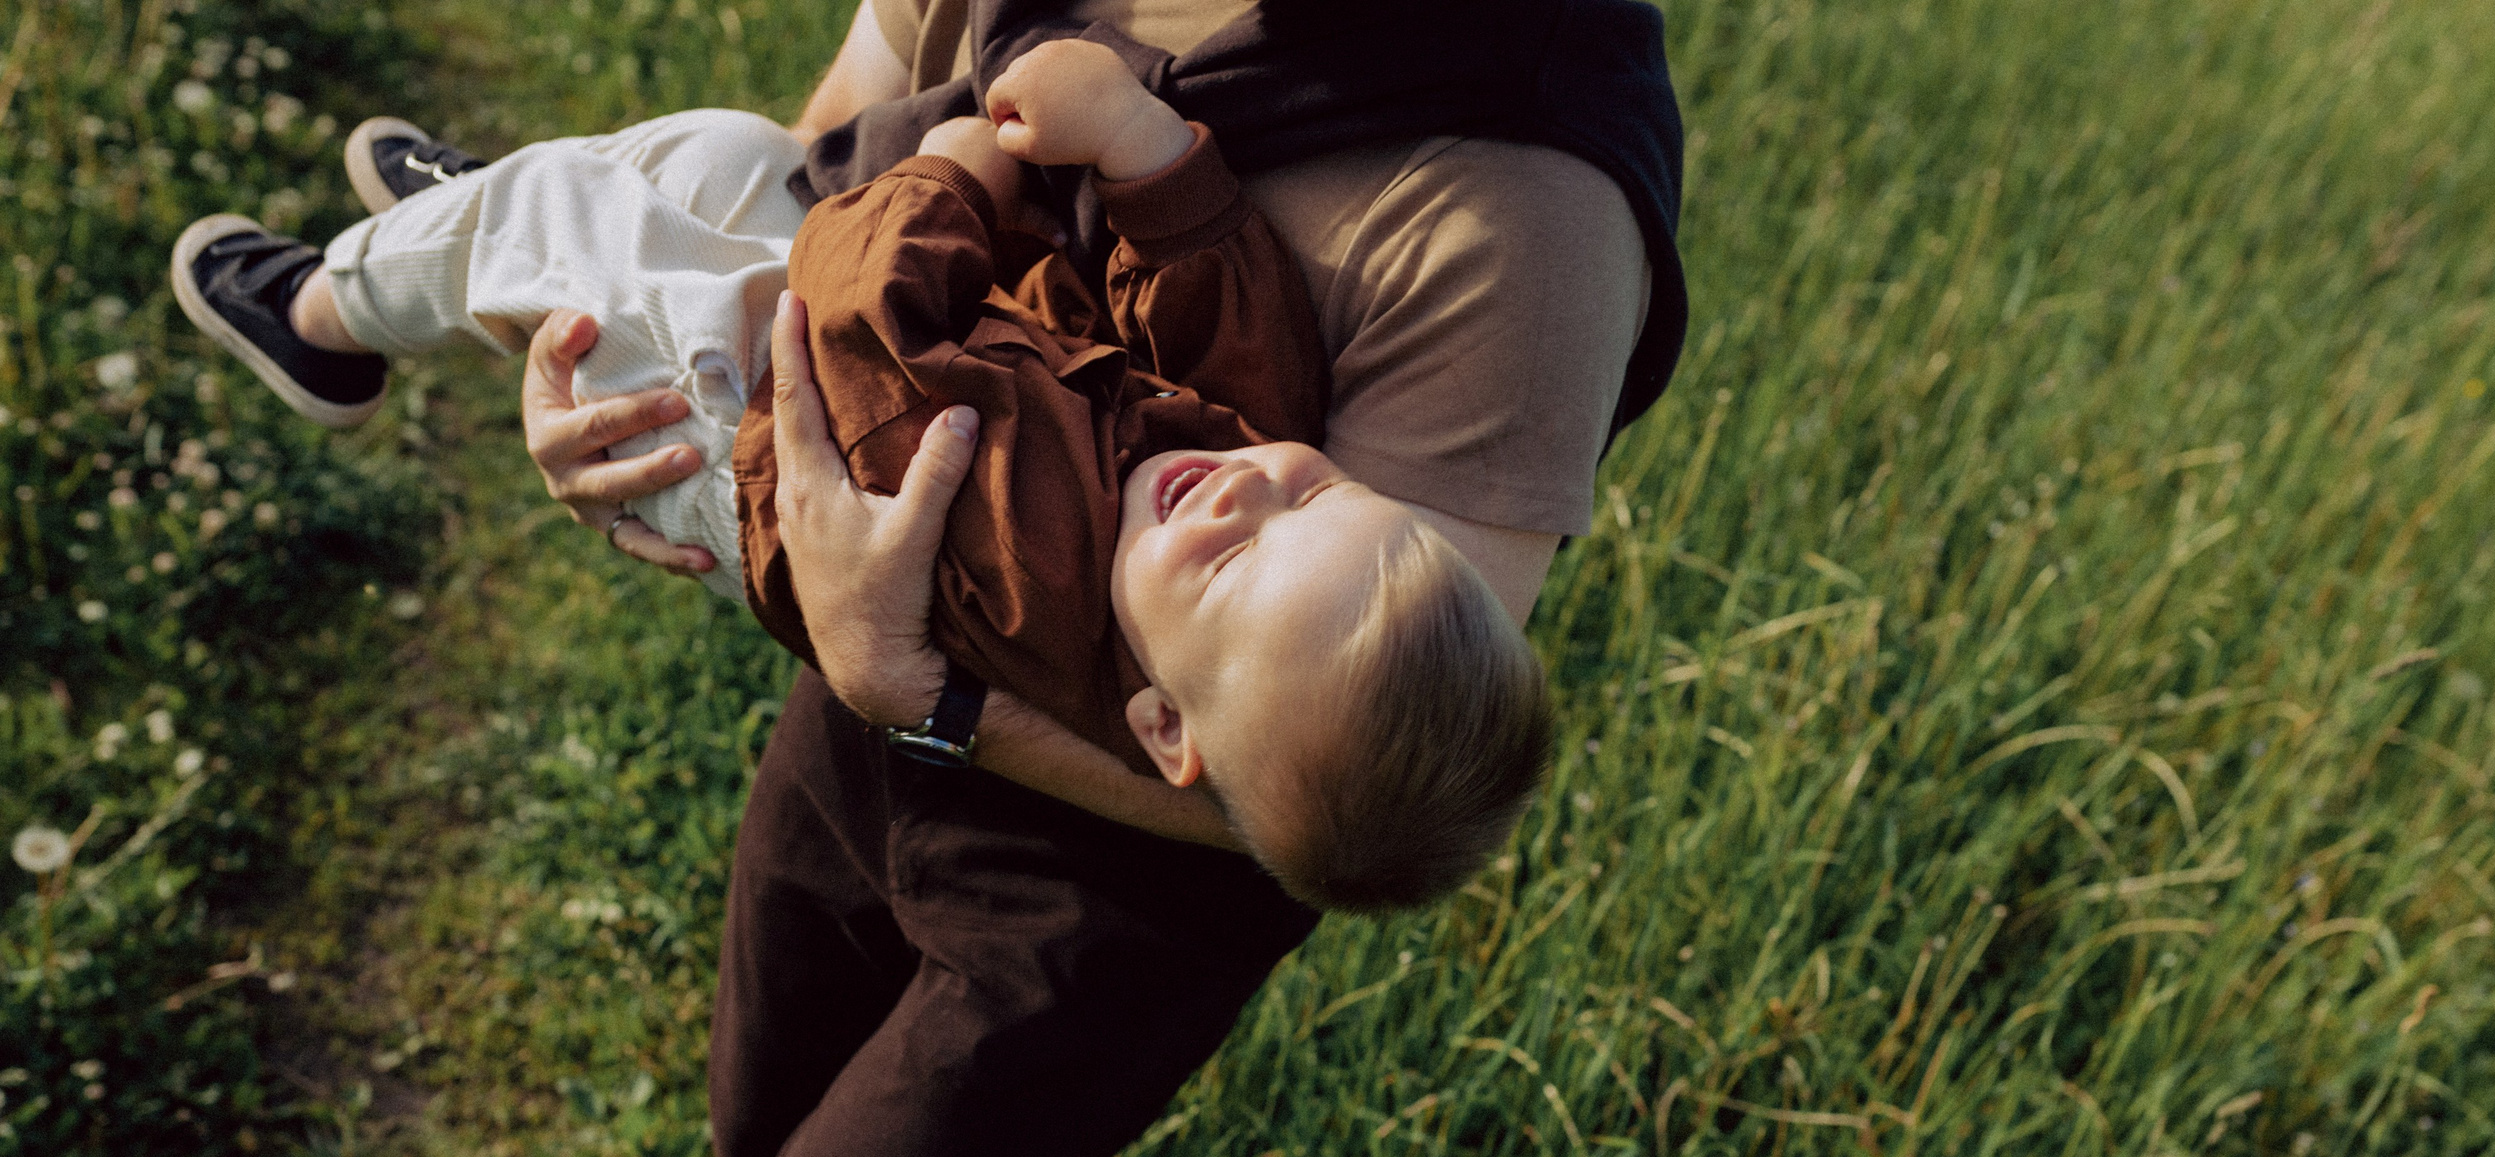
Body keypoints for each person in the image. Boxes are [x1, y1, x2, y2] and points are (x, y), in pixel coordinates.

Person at [510, 3, 1683, 1157]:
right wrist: (629, 381)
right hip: (883, 677)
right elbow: (791, 203)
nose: (1247, 480)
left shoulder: (1518, 210)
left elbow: (1331, 775)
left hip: (1120, 886)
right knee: (768, 1120)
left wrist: (925, 689)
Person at [169, 42, 1549, 908]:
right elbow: (1243, 343)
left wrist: (950, 179)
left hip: (753, 439)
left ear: (1162, 730)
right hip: (824, 336)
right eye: (1321, 491)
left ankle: (322, 317)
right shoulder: (1212, 491)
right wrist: (1148, 156)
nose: (1250, 484)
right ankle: (486, 218)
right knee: (732, 154)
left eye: (1244, 550)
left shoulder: (1009, 545)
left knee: (574, 234)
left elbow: (857, 324)